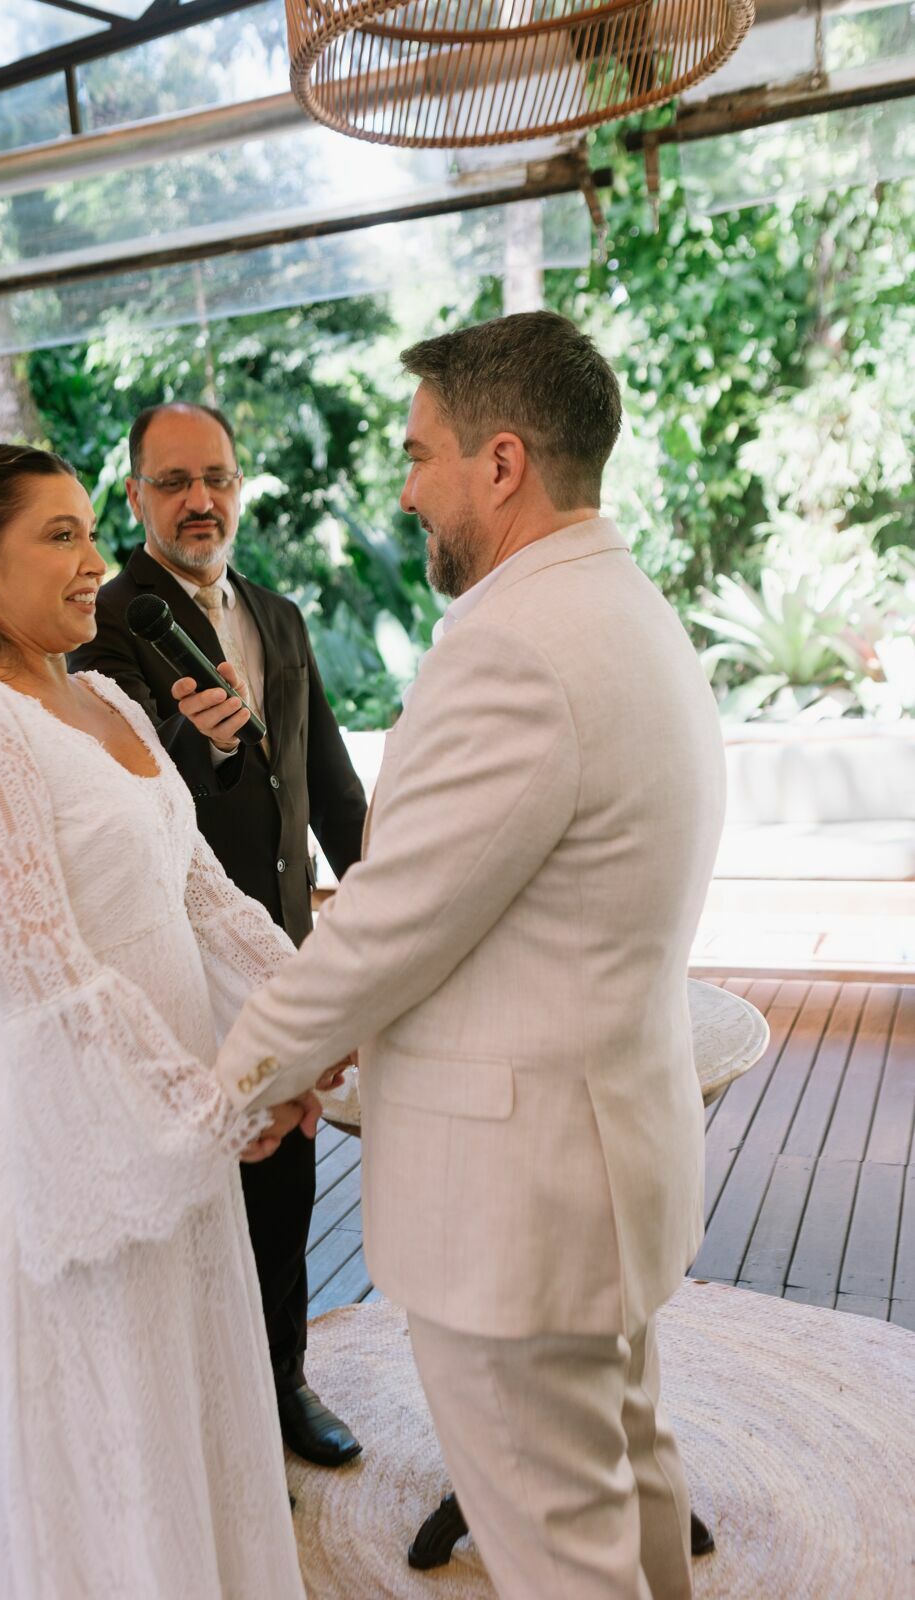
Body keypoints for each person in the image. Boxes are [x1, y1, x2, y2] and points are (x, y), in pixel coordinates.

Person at [206, 312, 728, 1598]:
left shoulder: (507, 645)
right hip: (601, 1157)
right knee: (625, 1472)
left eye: (419, 452)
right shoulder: (628, 607)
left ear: (501, 464)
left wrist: (251, 1069)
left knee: (554, 1549)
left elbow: (392, 916)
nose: (402, 486)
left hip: (518, 1196)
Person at [0, 444, 330, 1599]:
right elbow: (49, 977)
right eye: (61, 538)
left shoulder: (110, 695)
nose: (96, 565)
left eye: (91, 532)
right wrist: (217, 1105)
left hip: (174, 1125)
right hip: (73, 1138)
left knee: (188, 1413)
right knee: (103, 1443)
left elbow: (210, 906)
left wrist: (316, 1030)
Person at [69, 402, 366, 1467]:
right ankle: (200, 1408)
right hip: (172, 960)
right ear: (137, 495)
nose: (201, 500)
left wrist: (379, 914)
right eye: (174, 481)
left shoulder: (277, 616)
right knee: (193, 1188)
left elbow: (327, 785)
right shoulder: (100, 623)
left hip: (276, 948)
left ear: (239, 485)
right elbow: (125, 806)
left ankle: (281, 1381)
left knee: (284, 1178)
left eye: (218, 477)